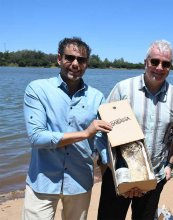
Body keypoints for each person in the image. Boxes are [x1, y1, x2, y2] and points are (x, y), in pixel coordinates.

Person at [22, 37, 112, 220]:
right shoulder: (37, 89)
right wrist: (85, 133)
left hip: (80, 182)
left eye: (81, 60)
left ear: (87, 64)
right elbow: (36, 137)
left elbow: (102, 141)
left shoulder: (97, 97)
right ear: (59, 59)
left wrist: (116, 170)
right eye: (70, 58)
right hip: (42, 181)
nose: (75, 64)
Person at [97, 39, 173, 220]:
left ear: (170, 66)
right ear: (146, 62)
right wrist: (108, 166)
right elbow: (102, 129)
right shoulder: (123, 89)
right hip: (119, 175)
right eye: (155, 61)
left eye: (165, 63)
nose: (159, 67)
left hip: (153, 176)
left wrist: (170, 163)